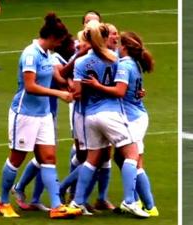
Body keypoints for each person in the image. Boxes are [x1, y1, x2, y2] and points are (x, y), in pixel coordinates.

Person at [0, 12, 82, 219]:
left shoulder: (47, 54)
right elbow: (30, 86)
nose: (60, 45)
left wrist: (67, 84)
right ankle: (3, 201)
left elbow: (54, 74)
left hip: (43, 114)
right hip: (25, 114)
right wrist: (59, 94)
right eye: (59, 41)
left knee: (49, 157)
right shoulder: (30, 54)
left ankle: (56, 206)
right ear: (51, 38)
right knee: (17, 158)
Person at [69, 21, 149, 218]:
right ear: (104, 39)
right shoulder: (116, 59)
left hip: (89, 116)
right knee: (132, 155)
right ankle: (130, 201)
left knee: (91, 160)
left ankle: (76, 202)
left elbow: (77, 93)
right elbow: (122, 88)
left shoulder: (80, 63)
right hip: (111, 114)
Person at [82, 31, 159, 216]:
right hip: (134, 115)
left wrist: (97, 86)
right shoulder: (131, 62)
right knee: (119, 158)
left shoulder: (124, 65)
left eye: (118, 42)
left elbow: (119, 91)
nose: (114, 44)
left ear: (124, 47)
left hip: (132, 118)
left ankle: (138, 202)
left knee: (133, 159)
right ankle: (145, 204)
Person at [10, 34, 76, 212]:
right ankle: (12, 195)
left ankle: (44, 201)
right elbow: (38, 84)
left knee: (46, 157)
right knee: (29, 157)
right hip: (32, 112)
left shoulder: (51, 53)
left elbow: (63, 80)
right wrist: (62, 91)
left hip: (47, 112)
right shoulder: (43, 55)